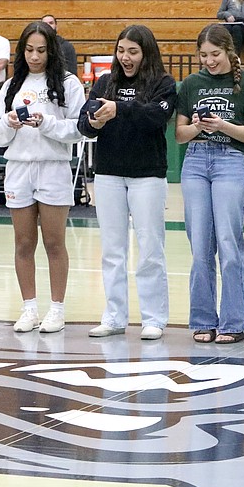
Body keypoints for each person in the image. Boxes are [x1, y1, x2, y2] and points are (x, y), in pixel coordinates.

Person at [79, 25, 177, 340]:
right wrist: (94, 120)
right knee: (111, 249)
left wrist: (120, 108)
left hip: (147, 174)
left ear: (145, 53)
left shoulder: (164, 83)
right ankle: (114, 316)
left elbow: (154, 118)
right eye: (121, 51)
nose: (125, 57)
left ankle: (154, 318)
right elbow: (85, 124)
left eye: (132, 51)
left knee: (150, 247)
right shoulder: (105, 82)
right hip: (108, 174)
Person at [0, 21, 85, 334]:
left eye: (41, 50)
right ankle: (29, 308)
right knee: (23, 243)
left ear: (51, 50)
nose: (34, 56)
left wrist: (46, 124)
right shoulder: (12, 84)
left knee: (55, 242)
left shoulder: (68, 83)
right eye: (29, 50)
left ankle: (56, 309)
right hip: (18, 167)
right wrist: (10, 122)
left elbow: (78, 130)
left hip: (53, 167)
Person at [175, 24, 244, 345]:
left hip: (231, 159)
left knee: (229, 243)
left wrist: (223, 125)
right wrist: (198, 125)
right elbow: (180, 134)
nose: (209, 61)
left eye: (215, 54)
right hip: (196, 160)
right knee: (200, 245)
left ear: (229, 51)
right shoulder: (191, 84)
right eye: (203, 55)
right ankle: (202, 319)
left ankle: (232, 321)